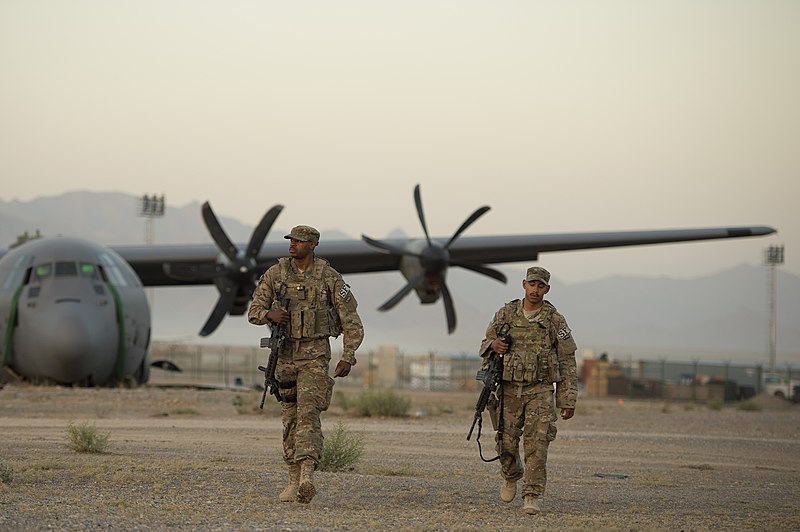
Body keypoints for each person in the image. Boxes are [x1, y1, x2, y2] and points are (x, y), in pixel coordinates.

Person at [248, 225, 364, 504]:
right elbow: (253, 312)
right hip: (284, 356)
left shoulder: (329, 277)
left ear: (312, 245)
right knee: (290, 418)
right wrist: (270, 314)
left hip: (314, 356)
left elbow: (352, 321)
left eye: (299, 241)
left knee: (308, 413)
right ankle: (292, 478)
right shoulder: (276, 274)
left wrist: (348, 356)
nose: (292, 245)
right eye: (291, 240)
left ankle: (307, 475)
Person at [477, 266, 577, 515]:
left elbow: (567, 359)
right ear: (524, 284)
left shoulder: (554, 320)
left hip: (540, 390)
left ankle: (531, 494)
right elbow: (484, 345)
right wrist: (494, 345)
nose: (535, 289)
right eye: (532, 284)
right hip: (510, 390)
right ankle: (511, 475)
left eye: (540, 286)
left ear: (547, 289)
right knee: (505, 441)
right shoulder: (505, 314)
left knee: (537, 444)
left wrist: (568, 398)